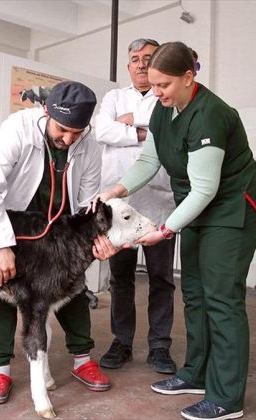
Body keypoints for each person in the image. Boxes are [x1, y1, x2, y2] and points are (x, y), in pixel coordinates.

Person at [98, 41, 256, 420]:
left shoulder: (210, 114)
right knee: (194, 292)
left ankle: (226, 398)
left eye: (163, 84)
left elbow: (206, 189)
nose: (155, 91)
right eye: (152, 83)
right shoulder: (165, 109)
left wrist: (163, 230)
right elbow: (150, 158)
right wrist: (118, 188)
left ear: (189, 77)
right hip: (197, 207)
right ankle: (195, 372)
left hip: (233, 208)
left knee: (222, 299)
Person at [0, 81, 118, 405]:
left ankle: (82, 359)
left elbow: (87, 203)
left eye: (76, 133)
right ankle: (0, 369)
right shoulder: (18, 129)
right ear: (46, 112)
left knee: (75, 288)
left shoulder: (88, 145)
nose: (68, 139)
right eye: (63, 129)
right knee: (3, 288)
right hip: (15, 224)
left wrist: (97, 238)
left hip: (60, 227)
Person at [94, 38, 178, 374]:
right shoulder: (113, 97)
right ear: (127, 66)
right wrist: (144, 130)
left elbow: (167, 132)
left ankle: (160, 347)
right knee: (121, 278)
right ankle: (122, 342)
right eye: (135, 59)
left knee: (161, 279)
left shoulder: (166, 98)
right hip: (120, 206)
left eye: (148, 58)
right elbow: (102, 130)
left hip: (159, 204)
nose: (141, 64)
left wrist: (129, 123)